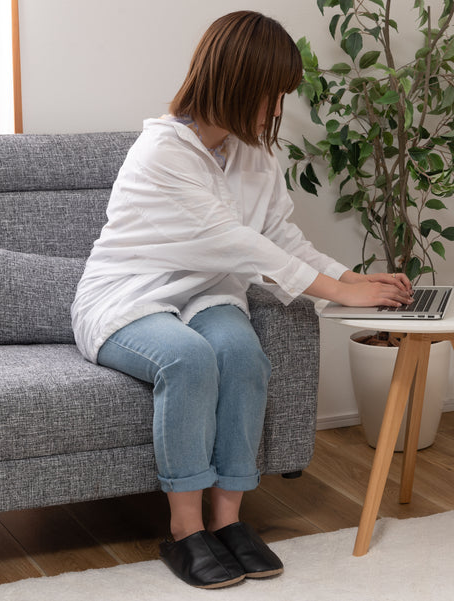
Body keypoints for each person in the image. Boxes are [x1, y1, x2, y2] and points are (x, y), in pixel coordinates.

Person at [71, 10, 413, 590]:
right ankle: (186, 531)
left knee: (245, 355)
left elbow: (282, 236)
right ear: (236, 82)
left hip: (206, 293)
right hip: (129, 298)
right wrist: (334, 288)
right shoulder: (164, 153)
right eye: (272, 93)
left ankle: (228, 521)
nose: (278, 108)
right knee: (188, 359)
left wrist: (354, 279)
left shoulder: (253, 152)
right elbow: (238, 242)